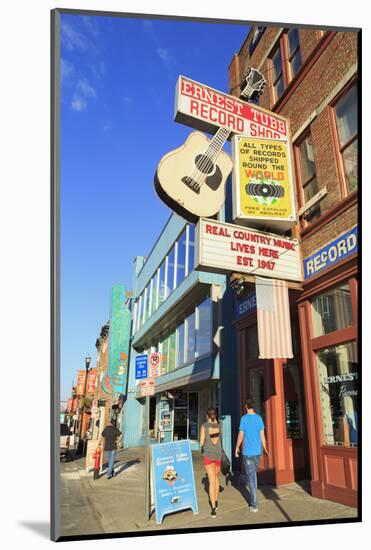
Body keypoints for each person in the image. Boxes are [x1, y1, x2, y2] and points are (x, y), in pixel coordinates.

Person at [235, 398, 268, 513]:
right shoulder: (259, 418)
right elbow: (262, 435)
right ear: (253, 406)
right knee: (253, 476)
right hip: (257, 452)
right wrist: (265, 448)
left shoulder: (244, 419)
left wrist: (236, 448)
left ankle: (254, 504)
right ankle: (253, 500)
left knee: (251, 478)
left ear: (246, 406)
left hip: (248, 453)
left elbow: (241, 435)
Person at [200, 407, 222, 518]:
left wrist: (202, 446)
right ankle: (216, 501)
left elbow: (201, 442)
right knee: (217, 479)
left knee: (211, 481)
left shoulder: (204, 426)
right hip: (218, 455)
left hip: (208, 456)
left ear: (207, 415)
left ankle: (213, 508)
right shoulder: (219, 425)